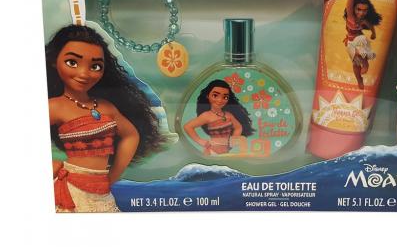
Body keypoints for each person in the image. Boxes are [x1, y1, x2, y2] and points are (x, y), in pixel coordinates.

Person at [46, 24, 164, 212]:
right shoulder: (55, 106)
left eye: (95, 66)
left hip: (101, 190)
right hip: (72, 189)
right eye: (72, 62)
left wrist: (112, 176)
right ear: (54, 61)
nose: (84, 73)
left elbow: (131, 135)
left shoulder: (106, 106)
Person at [183, 79, 254, 155]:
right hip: (212, 152)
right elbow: (188, 126)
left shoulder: (228, 115)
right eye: (215, 95)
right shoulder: (206, 116)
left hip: (226, 152)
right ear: (207, 96)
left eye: (225, 97)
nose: (220, 100)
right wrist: (200, 141)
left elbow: (238, 127)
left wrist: (233, 139)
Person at [343, 0, 382, 90]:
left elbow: (371, 26)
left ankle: (365, 64)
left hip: (360, 40)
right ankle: (359, 79)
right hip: (350, 41)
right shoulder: (350, 17)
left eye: (365, 10)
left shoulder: (364, 21)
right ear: (354, 9)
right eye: (358, 9)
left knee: (360, 49)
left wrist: (373, 34)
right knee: (355, 63)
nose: (361, 13)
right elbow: (349, 6)